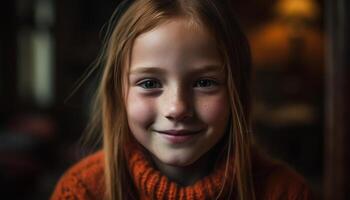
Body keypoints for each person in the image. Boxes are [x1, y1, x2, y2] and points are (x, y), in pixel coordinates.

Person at [51, 0, 313, 199]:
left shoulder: (286, 192)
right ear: (118, 94)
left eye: (204, 83)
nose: (177, 108)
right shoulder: (81, 191)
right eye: (150, 83)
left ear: (238, 92)